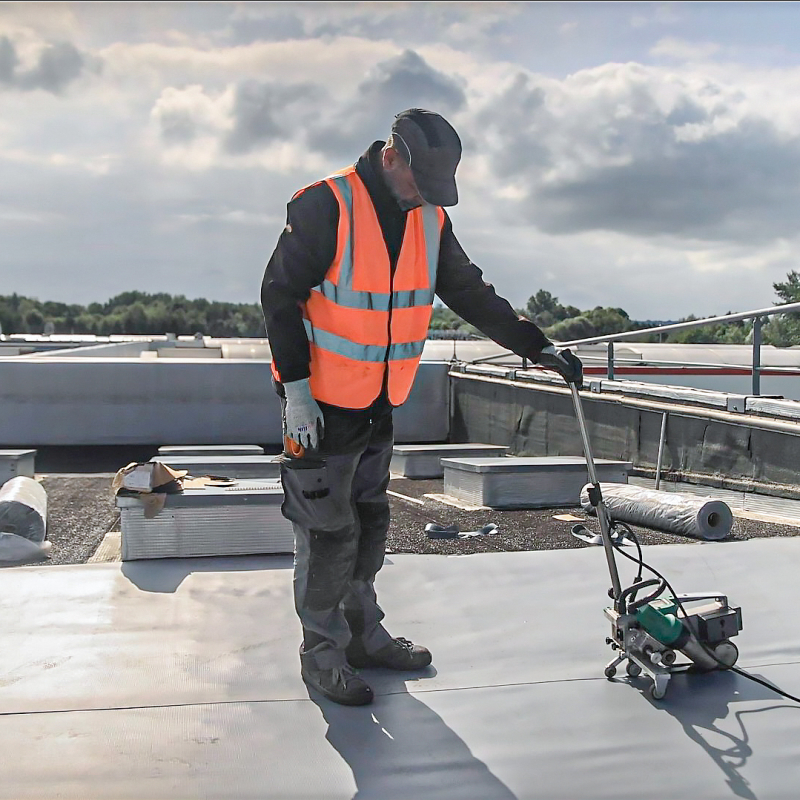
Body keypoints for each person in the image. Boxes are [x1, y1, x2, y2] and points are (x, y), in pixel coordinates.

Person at [261, 108, 582, 706]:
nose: (423, 199)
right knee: (327, 534)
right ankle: (322, 656)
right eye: (418, 184)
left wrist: (536, 346)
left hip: (380, 401)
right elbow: (277, 296)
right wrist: (296, 389)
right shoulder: (325, 204)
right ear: (391, 158)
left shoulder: (429, 218)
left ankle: (363, 638)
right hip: (321, 408)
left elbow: (468, 292)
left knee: (369, 526)